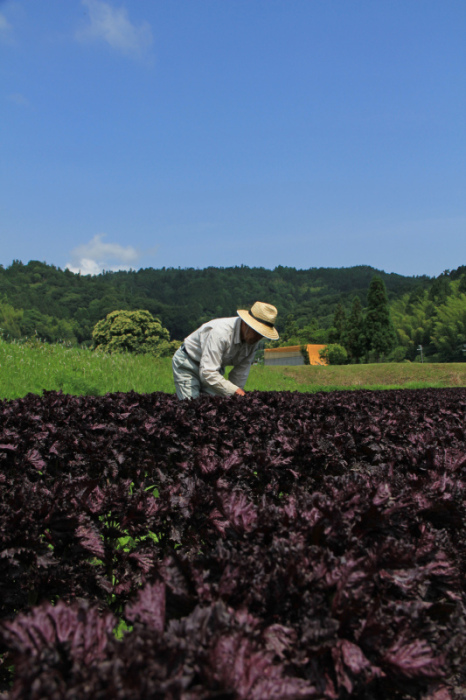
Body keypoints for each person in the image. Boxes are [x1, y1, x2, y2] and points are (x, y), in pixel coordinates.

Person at [172, 301, 279, 400]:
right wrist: (234, 391)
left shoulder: (252, 342)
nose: (258, 338)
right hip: (189, 364)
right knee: (190, 408)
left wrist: (236, 395)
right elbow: (208, 373)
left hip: (214, 369)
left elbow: (240, 373)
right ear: (246, 324)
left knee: (215, 407)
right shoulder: (221, 333)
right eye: (257, 332)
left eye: (262, 335)